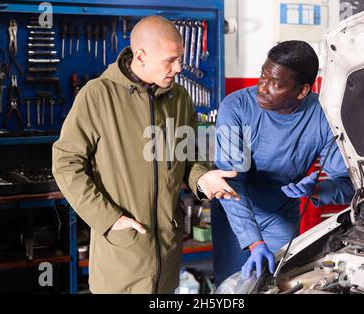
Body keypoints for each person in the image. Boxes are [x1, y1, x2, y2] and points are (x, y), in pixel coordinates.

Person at [52, 15, 239, 293]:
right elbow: (66, 164)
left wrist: (202, 179)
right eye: (170, 60)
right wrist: (109, 219)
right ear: (141, 56)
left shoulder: (180, 98)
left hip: (167, 254)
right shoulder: (98, 96)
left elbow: (188, 158)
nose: (178, 68)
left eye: (180, 59)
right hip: (122, 257)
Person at [212, 40, 355, 286]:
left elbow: (346, 184)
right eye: (262, 76)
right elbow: (231, 182)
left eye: (275, 83)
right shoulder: (235, 107)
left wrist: (318, 189)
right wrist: (254, 242)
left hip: (281, 213)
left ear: (302, 91)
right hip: (234, 211)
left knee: (279, 283)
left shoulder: (324, 116)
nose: (262, 87)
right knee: (233, 287)